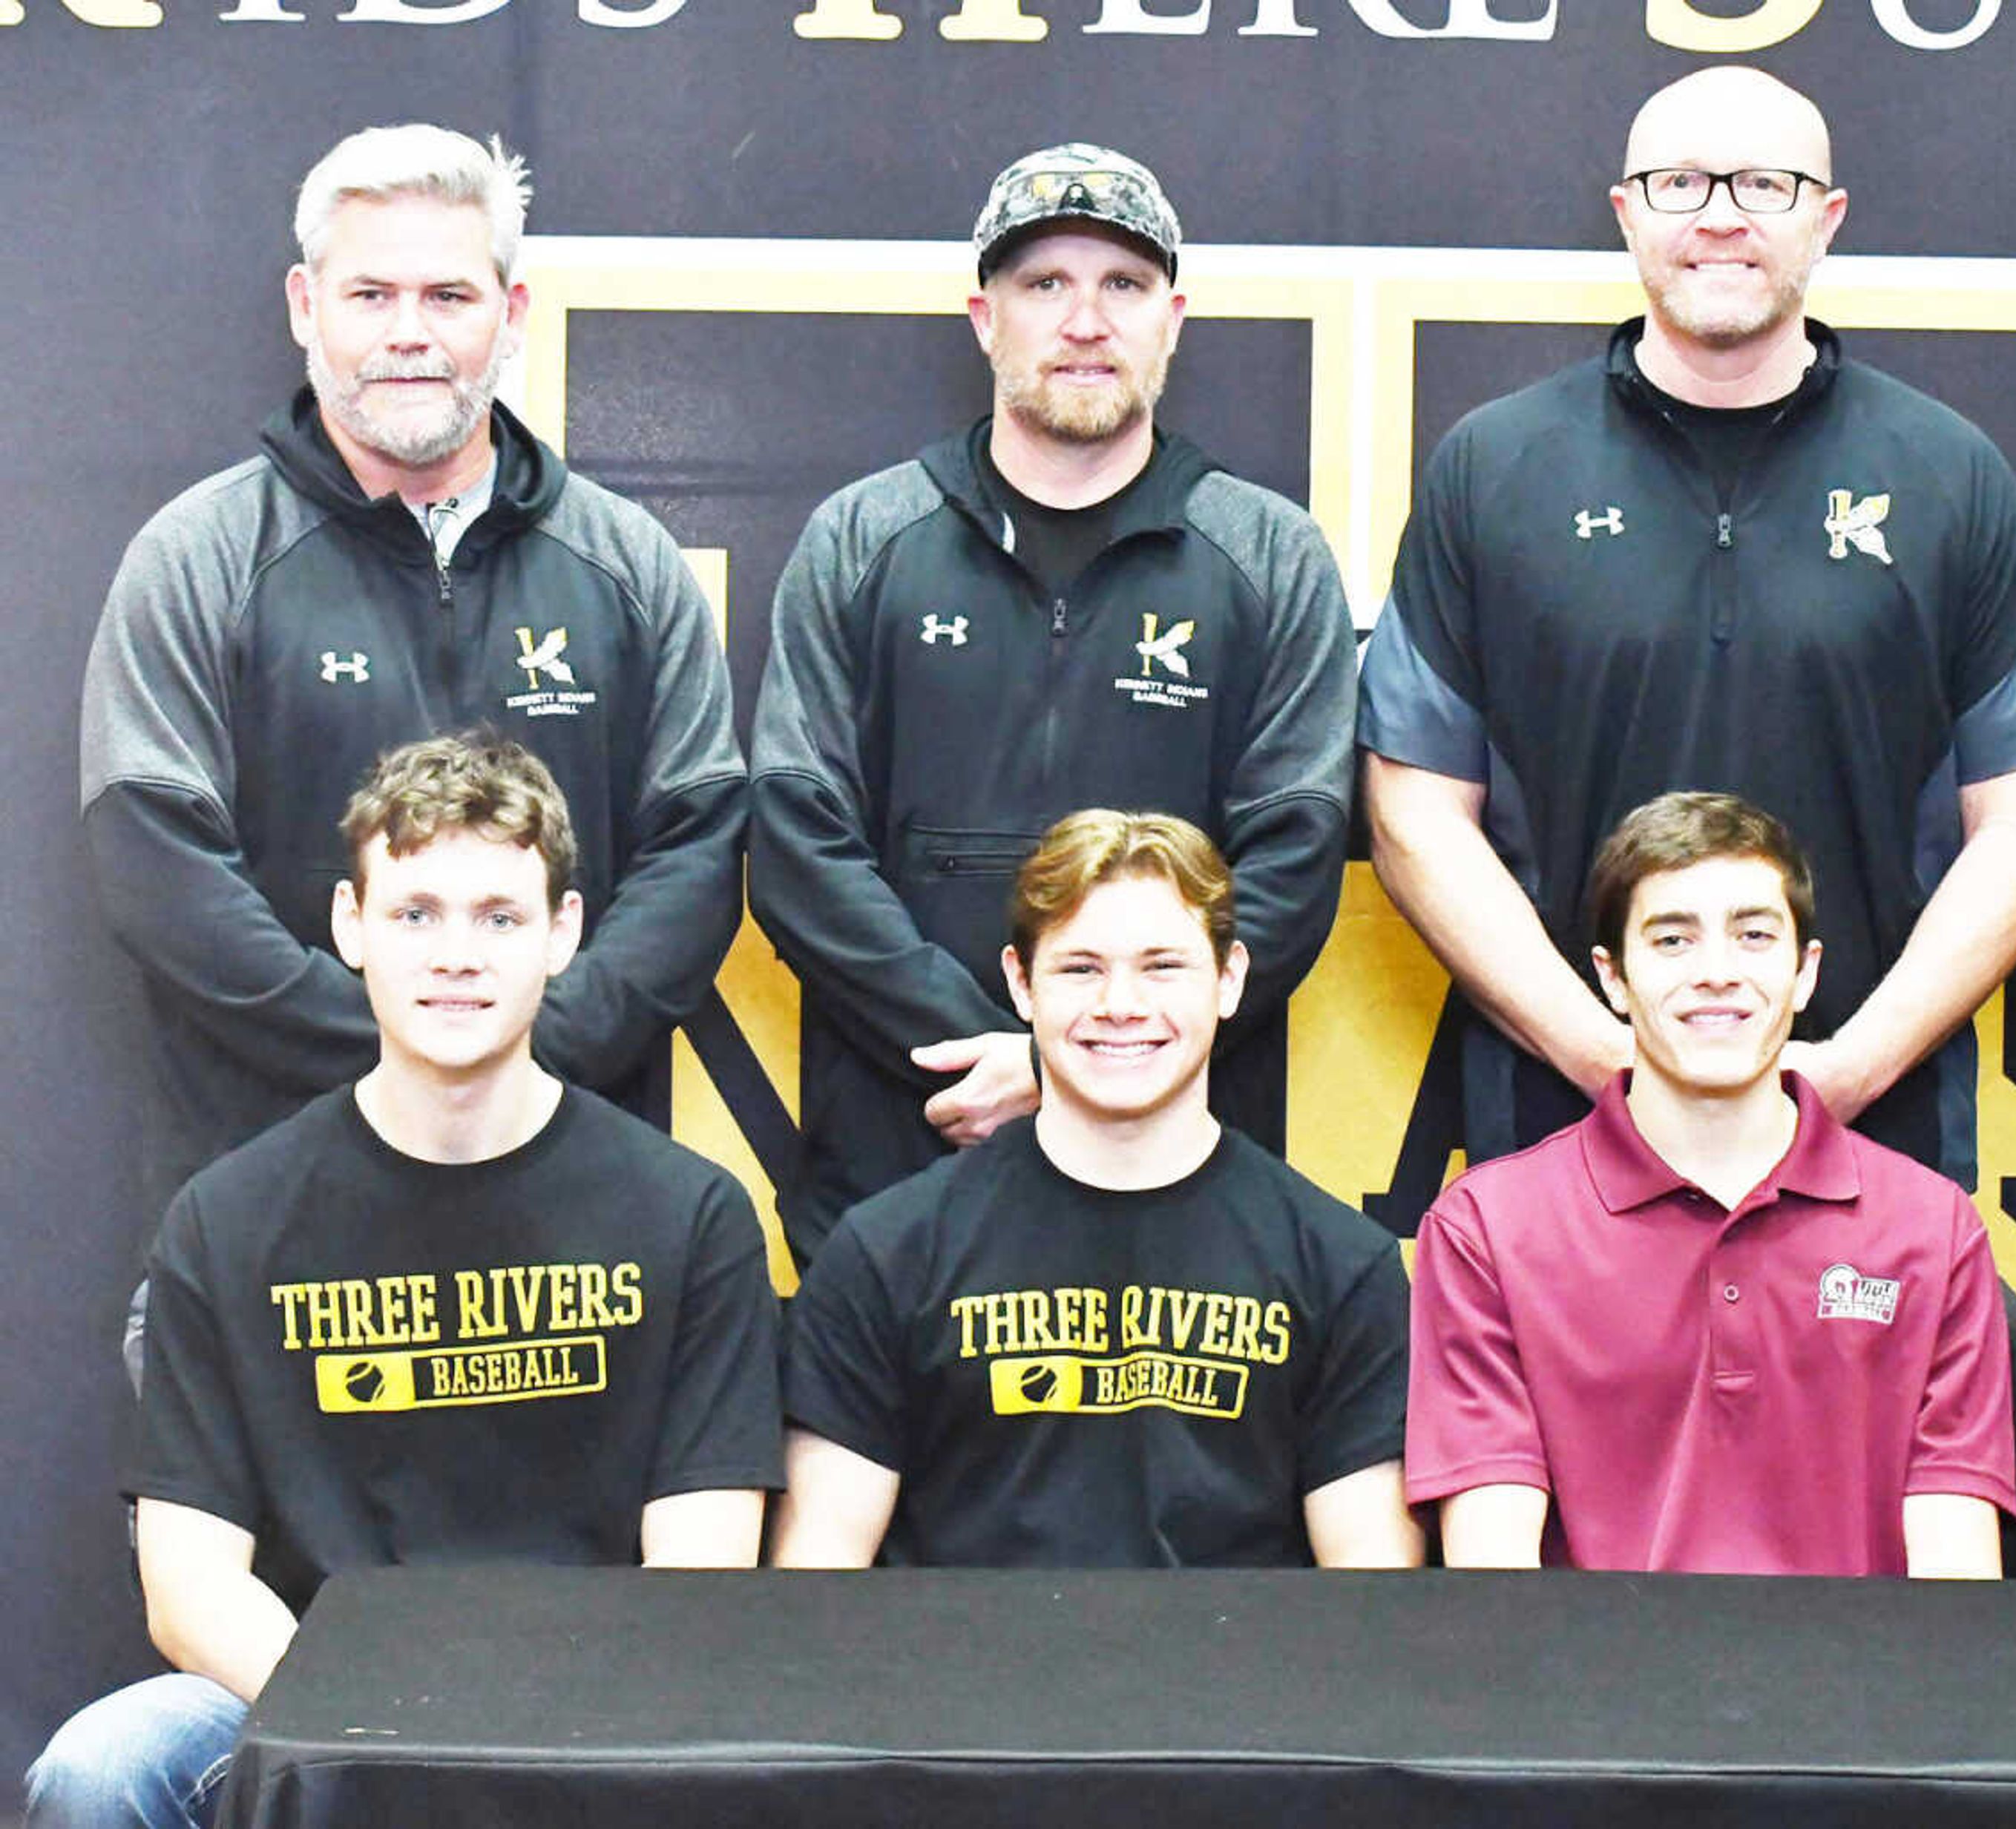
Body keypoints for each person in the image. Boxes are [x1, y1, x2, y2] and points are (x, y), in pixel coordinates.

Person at [24, 736, 782, 1829]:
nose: (456, 955)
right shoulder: (229, 1219)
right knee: (106, 1768)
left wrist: (528, 1751)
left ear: (563, 935)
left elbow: (700, 1578)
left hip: (597, 1724)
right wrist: (373, 1732)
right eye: (415, 913)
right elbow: (189, 1591)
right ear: (350, 926)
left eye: (500, 917)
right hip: (309, 1704)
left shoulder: (691, 1214)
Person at [1357, 65, 2016, 1181]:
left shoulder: (1951, 475)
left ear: (1828, 218)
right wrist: (1607, 1059)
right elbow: (1414, 814)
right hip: (1562, 1136)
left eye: (1766, 183)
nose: (1721, 216)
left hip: (1867, 1140)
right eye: (1680, 183)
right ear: (1626, 214)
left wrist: (1847, 1070)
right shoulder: (1492, 469)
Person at [78, 125, 746, 1243]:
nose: (408, 335)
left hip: (569, 1202)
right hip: (270, 1197)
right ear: (305, 307)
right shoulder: (197, 558)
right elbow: (157, 869)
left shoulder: (627, 565)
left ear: (511, 315)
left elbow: (697, 850)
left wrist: (520, 1059)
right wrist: (403, 1064)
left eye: (448, 296)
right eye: (370, 294)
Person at [750, 144, 1356, 1268]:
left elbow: (1294, 864)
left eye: (1122, 286)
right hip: (902, 1168)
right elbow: (798, 845)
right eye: (1045, 286)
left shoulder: (1271, 555)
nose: (1086, 322)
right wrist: (978, 1047)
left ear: (1172, 319)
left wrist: (1060, 1061)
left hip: (1180, 1192)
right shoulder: (858, 541)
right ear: (985, 318)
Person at [769, 810, 1419, 1571]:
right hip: (957, 1688)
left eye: (1163, 966)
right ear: (1020, 982)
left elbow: (1370, 1603)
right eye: (1080, 968)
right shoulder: (885, 1253)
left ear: (1231, 977)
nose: (1121, 1004)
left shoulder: (1343, 1267)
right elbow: (816, 1587)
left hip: (1241, 1688)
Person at [1407, 792, 2014, 1574]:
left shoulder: (1933, 1229)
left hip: (1859, 1694)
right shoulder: (1485, 1228)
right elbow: (1495, 1585)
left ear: (1805, 973)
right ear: (1614, 978)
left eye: (1755, 936)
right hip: (1585, 1693)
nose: (1717, 973)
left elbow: (1953, 1590)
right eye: (1672, 939)